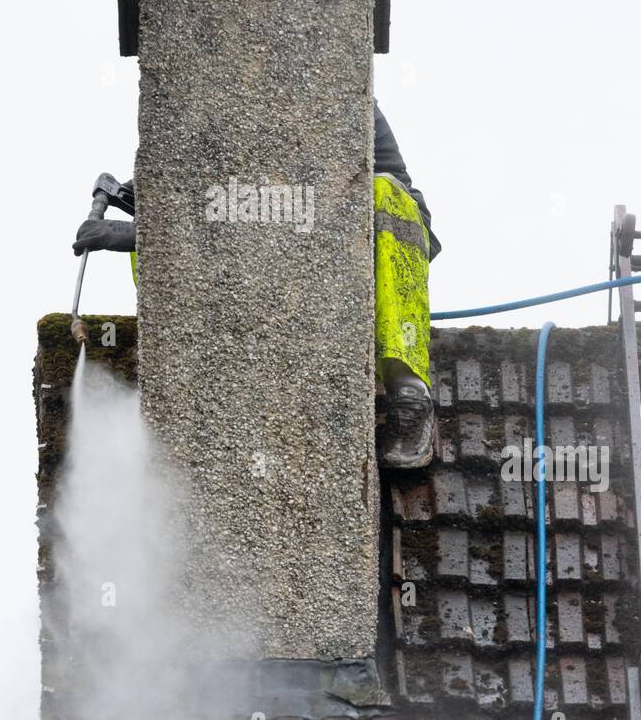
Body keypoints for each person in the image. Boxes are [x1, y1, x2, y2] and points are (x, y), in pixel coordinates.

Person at [73, 100, 439, 470]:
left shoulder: (339, 104)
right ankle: (180, 373)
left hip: (343, 249)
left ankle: (409, 391)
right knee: (161, 209)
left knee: (387, 195)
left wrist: (146, 228)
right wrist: (137, 206)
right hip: (275, 263)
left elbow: (280, 193)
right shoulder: (215, 109)